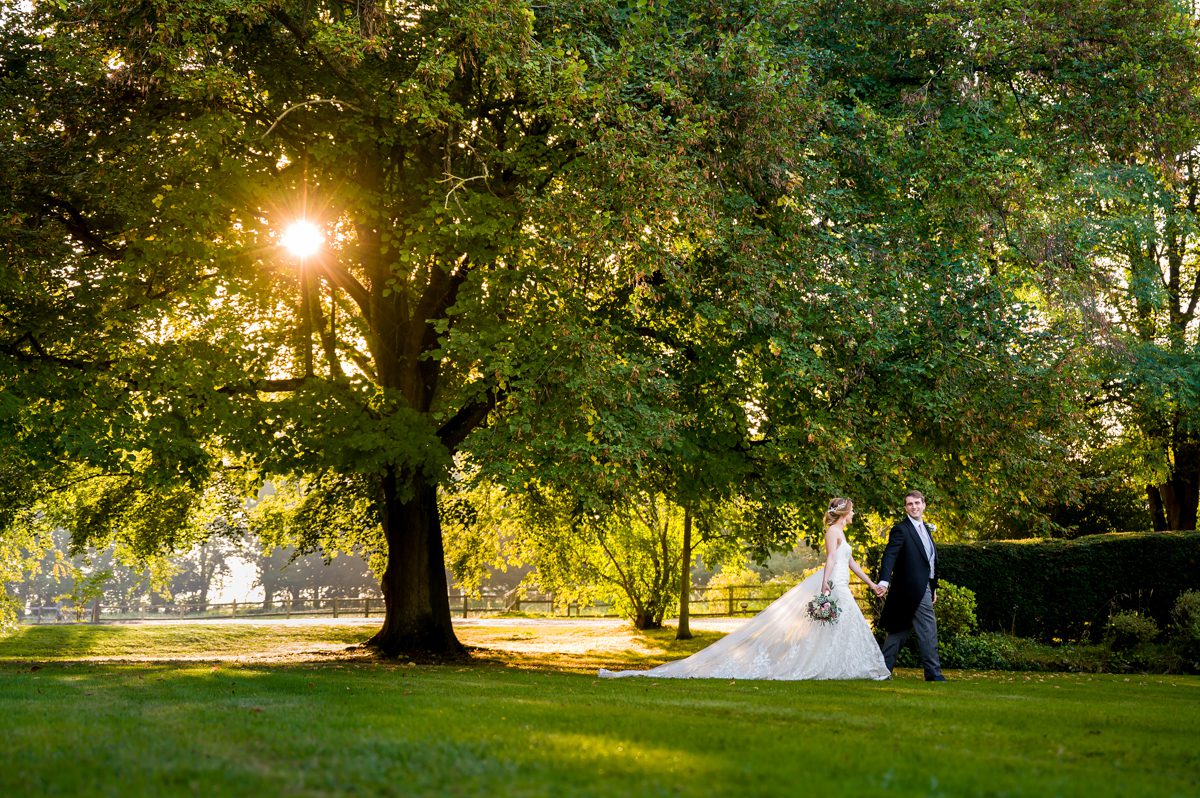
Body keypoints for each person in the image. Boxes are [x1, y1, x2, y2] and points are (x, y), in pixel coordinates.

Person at [598, 498, 890, 680]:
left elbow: (849, 562)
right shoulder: (833, 532)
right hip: (833, 586)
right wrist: (825, 586)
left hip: (842, 585)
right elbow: (829, 559)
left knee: (839, 630)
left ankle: (839, 667)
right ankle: (830, 667)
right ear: (843, 513)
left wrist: (872, 583)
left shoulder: (843, 535)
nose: (854, 515)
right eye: (852, 511)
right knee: (834, 628)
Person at [874, 490, 946, 681]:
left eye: (917, 503)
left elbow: (929, 562)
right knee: (928, 629)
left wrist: (933, 587)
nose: (914, 507)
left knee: (898, 631)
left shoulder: (926, 529)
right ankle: (933, 674)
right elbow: (890, 555)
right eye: (909, 504)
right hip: (909, 589)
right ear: (905, 507)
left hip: (923, 588)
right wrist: (884, 580)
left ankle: (882, 671)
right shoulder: (901, 529)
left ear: (924, 505)